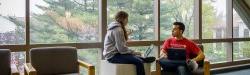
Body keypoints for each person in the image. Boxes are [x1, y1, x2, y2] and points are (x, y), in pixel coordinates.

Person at [103, 11, 154, 75]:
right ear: (122, 19)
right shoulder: (118, 29)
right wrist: (134, 52)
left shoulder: (114, 27)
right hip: (113, 56)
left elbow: (120, 46)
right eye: (127, 19)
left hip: (113, 54)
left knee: (137, 57)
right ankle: (143, 59)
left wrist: (133, 53)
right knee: (139, 62)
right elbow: (122, 49)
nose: (127, 21)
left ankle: (144, 59)